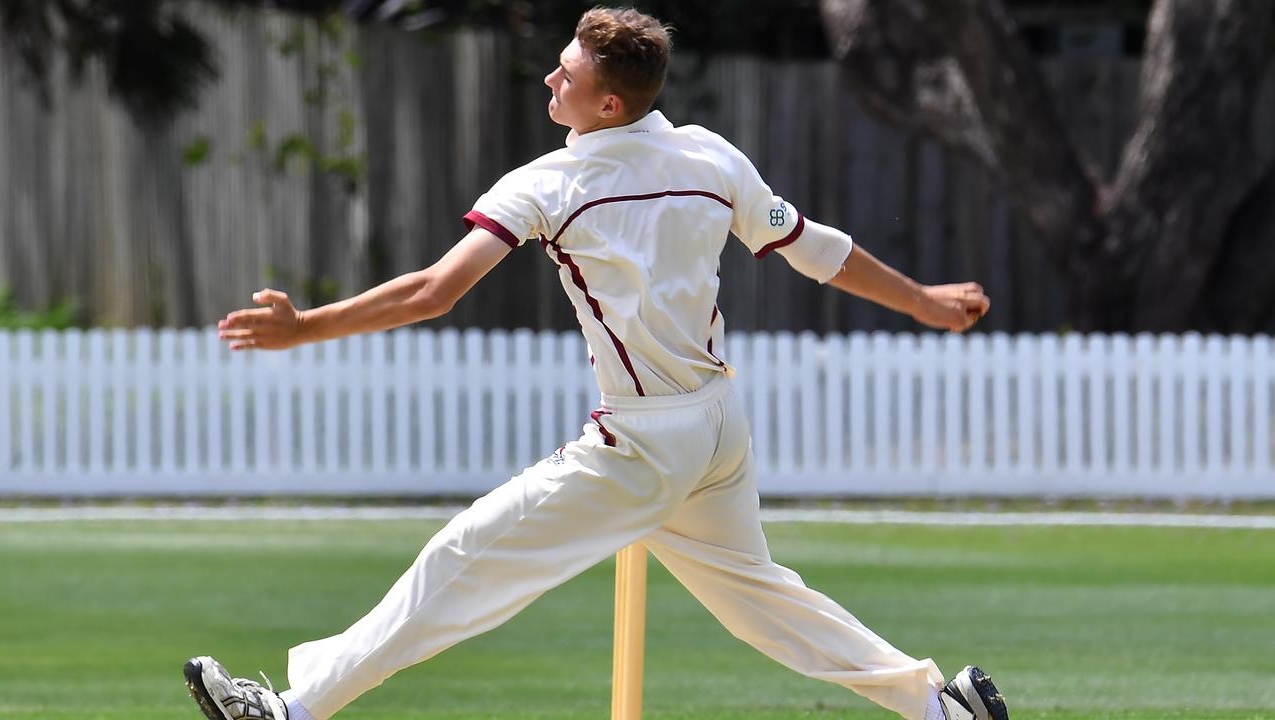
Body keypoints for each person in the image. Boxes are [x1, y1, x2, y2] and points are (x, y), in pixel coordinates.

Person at [184, 7, 1005, 720]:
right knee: (761, 600)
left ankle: (291, 709)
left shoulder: (552, 182)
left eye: (566, 73)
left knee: (466, 557)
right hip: (717, 427)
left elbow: (436, 291)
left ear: (608, 103)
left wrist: (306, 328)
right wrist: (924, 301)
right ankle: (936, 704)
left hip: (642, 442)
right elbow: (817, 250)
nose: (550, 77)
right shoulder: (710, 156)